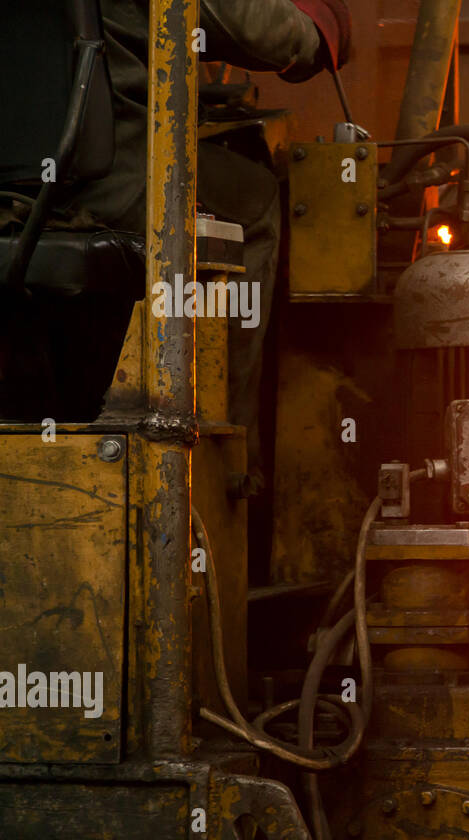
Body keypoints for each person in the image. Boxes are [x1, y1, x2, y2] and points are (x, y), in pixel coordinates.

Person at [73, 0, 352, 489]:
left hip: (22, 191)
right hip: (105, 175)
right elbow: (254, 29)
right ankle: (232, 458)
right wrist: (320, 29)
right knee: (254, 201)